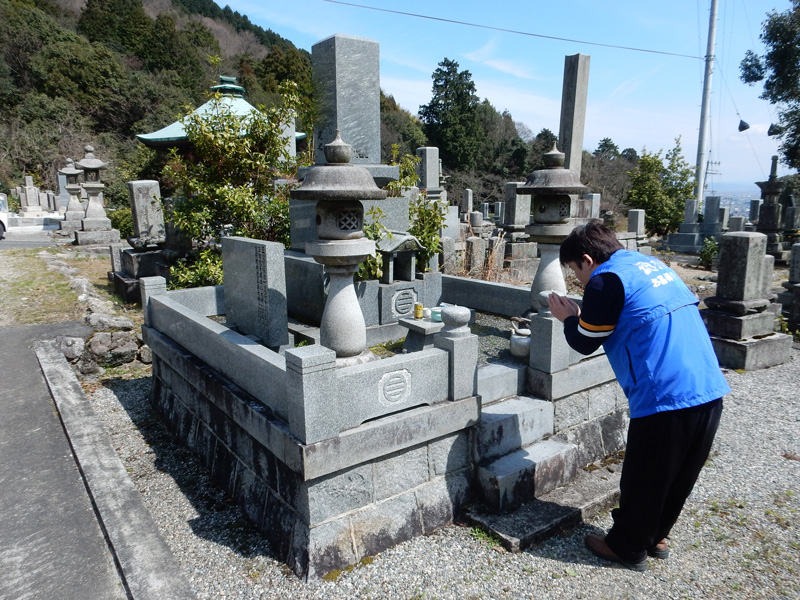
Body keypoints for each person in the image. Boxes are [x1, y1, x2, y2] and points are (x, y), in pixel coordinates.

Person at [547, 220, 730, 572]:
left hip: (665, 393)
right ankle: (655, 535)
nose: (579, 281)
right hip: (706, 383)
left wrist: (569, 318)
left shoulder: (606, 280)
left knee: (645, 474)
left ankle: (627, 546)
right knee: (678, 473)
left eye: (575, 271)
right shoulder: (648, 264)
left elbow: (584, 341)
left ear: (586, 259)